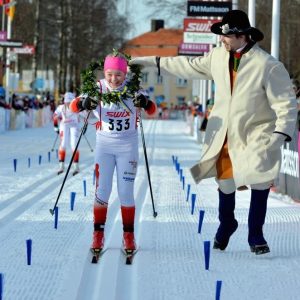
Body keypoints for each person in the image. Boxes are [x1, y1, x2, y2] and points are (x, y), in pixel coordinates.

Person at [130, 10, 298, 255]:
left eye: (227, 35)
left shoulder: (268, 65)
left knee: (260, 181)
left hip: (257, 133)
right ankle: (227, 223)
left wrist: (279, 134)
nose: (222, 39)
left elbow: (286, 102)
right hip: (225, 134)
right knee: (226, 183)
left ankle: (256, 234)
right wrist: (152, 62)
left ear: (242, 36)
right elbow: (186, 65)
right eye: (221, 35)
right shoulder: (218, 57)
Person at [70, 53, 156, 253]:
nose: (113, 79)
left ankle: (129, 236)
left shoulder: (133, 88)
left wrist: (144, 103)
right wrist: (83, 104)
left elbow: (152, 109)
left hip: (127, 147)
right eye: (109, 74)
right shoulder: (97, 88)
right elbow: (73, 106)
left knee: (126, 192)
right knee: (102, 191)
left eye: (118, 74)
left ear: (124, 73)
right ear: (104, 73)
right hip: (104, 147)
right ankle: (98, 235)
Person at [53, 91, 81, 175]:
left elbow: (85, 115)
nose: (68, 104)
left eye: (70, 102)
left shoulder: (77, 107)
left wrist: (85, 126)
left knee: (74, 145)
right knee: (63, 144)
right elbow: (55, 115)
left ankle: (76, 166)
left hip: (74, 125)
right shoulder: (61, 107)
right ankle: (61, 165)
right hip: (64, 125)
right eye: (67, 102)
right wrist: (55, 126)